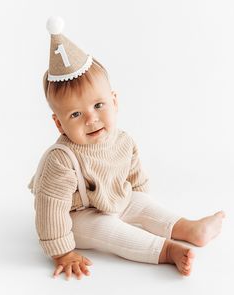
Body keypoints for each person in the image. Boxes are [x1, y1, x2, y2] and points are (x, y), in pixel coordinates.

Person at [28, 16, 225, 281]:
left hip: (115, 198)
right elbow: (50, 208)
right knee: (107, 229)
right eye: (75, 114)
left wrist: (142, 208)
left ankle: (188, 229)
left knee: (141, 203)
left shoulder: (122, 140)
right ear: (59, 124)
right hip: (77, 216)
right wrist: (62, 252)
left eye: (98, 106)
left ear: (114, 101)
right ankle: (166, 250)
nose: (91, 119)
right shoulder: (61, 160)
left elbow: (134, 177)